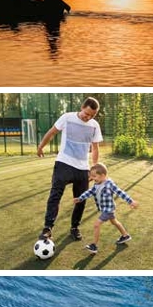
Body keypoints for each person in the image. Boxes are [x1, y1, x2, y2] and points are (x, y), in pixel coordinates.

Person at [36, 97, 103, 241]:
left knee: (81, 200)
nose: (88, 117)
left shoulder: (94, 126)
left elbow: (95, 148)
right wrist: (41, 146)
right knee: (55, 195)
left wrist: (93, 169)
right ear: (82, 107)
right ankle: (48, 228)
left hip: (83, 168)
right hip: (64, 163)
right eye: (86, 113)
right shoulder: (67, 118)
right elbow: (52, 132)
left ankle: (74, 228)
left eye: (91, 115)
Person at [74, 162, 139, 253]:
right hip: (105, 209)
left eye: (94, 176)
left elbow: (120, 192)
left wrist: (130, 201)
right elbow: (90, 192)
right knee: (114, 222)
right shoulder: (96, 184)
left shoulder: (109, 184)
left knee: (97, 224)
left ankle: (94, 246)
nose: (92, 178)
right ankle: (125, 235)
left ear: (103, 175)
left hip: (108, 210)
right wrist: (80, 198)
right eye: (91, 176)